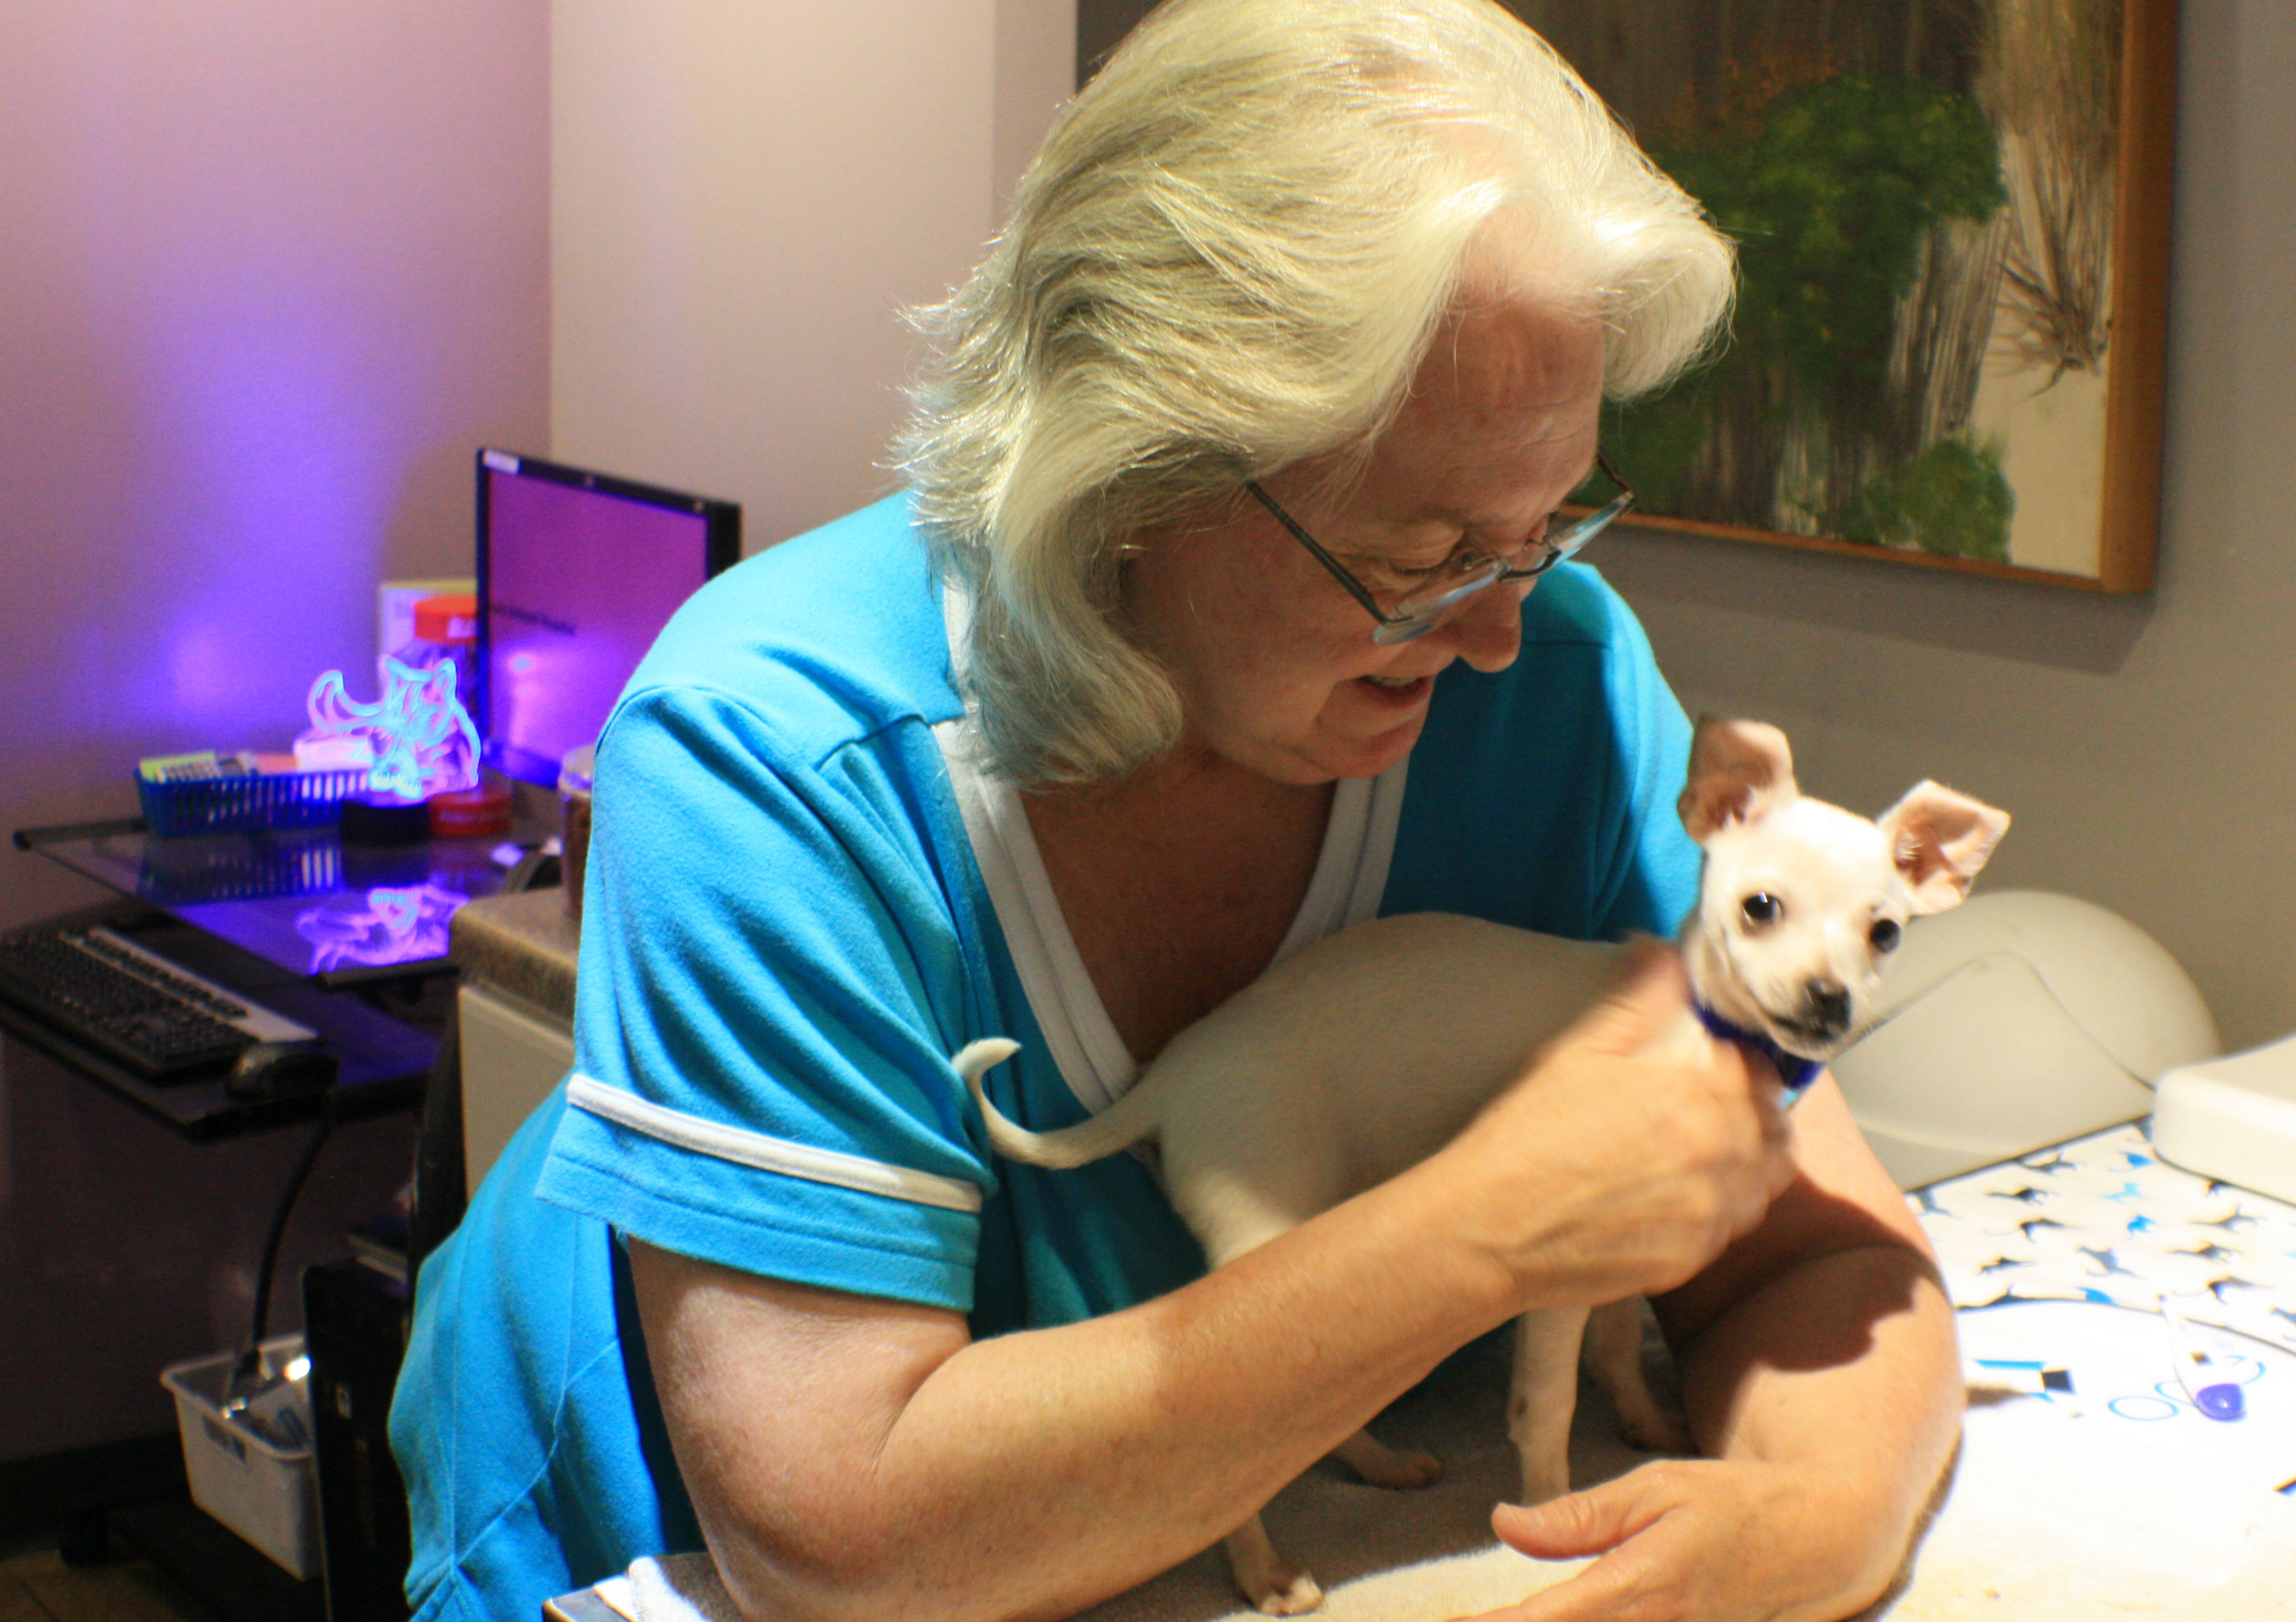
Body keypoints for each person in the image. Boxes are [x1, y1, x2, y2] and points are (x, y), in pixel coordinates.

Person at [390, 2, 1962, 1619]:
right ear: (1129, 472)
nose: (1500, 626)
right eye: (1424, 552)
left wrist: (1812, 1517)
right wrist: (1475, 1232)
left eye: (1547, 522)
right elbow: (838, 1533)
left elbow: (1827, 1259)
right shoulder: (775, 753)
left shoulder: (1551, 677)